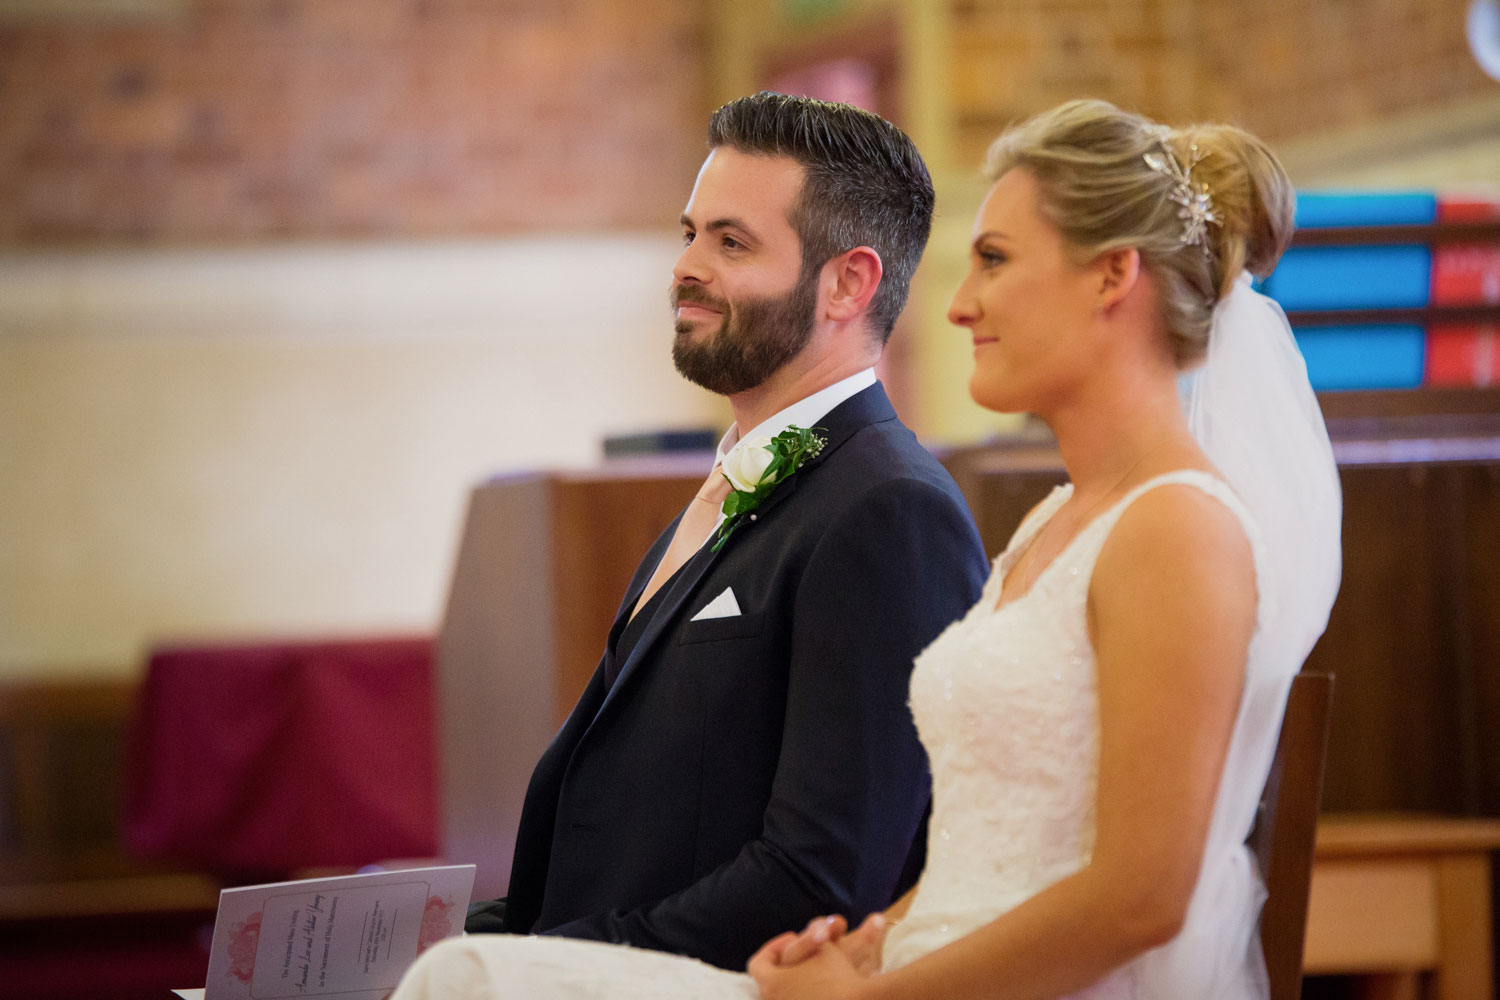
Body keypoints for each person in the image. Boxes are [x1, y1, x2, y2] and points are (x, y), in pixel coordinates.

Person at [394, 97, 1341, 1000]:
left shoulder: (1139, 526)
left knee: (454, 986)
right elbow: (963, 850)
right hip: (885, 960)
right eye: (691, 233)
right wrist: (863, 950)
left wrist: (872, 986)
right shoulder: (1055, 524)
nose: (959, 305)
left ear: (1110, 277)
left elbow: (1135, 894)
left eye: (996, 259)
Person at [459, 90, 990, 974]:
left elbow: (822, 875)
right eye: (689, 234)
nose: (685, 269)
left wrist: (543, 972)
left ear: (847, 283)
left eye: (731, 242)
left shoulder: (889, 511)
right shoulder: (733, 485)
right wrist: (453, 940)